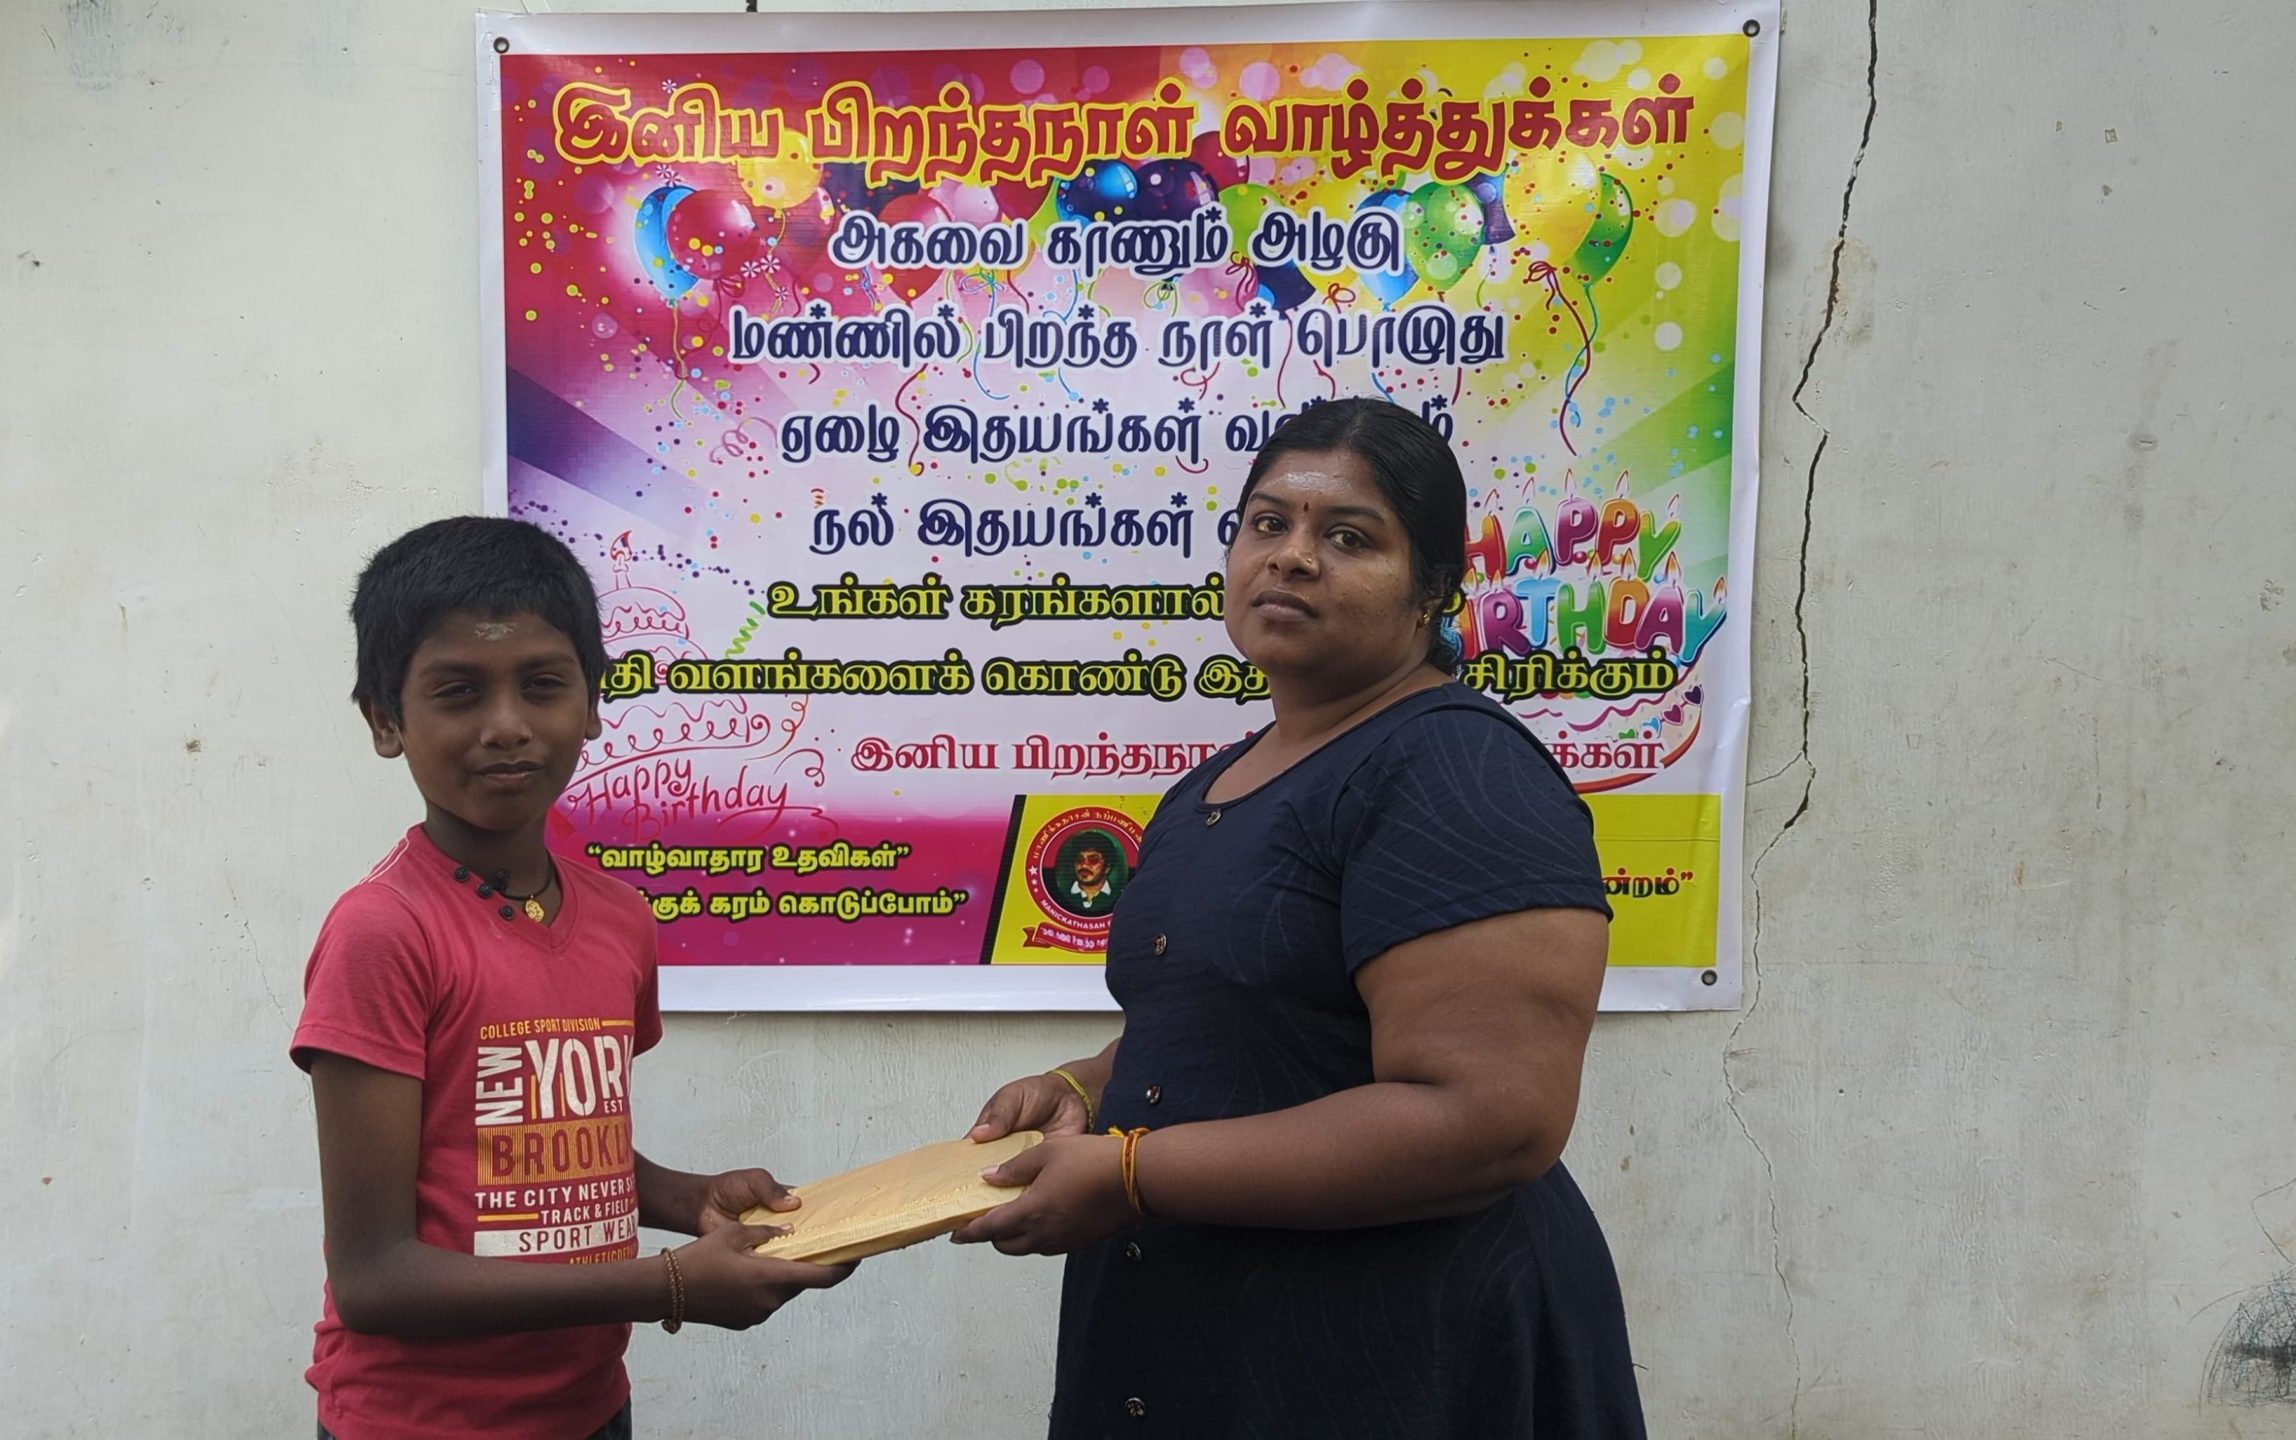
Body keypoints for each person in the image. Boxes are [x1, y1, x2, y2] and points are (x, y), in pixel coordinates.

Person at [954, 399, 1644, 1437]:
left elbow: (1491, 1120)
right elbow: (1252, 1022)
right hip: (1210, 1335)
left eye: (1349, 537)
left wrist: (1131, 1173)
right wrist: (1084, 1087)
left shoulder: (1457, 768)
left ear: (1433, 589)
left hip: (1394, 1349)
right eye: (1266, 523)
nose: (1292, 557)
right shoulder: (1213, 786)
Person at [291, 517, 846, 1440]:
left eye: (543, 685)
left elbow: (549, 1156)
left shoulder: (620, 918)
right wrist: (668, 1285)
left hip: (588, 1409)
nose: (508, 725)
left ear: (593, 702)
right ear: (386, 721)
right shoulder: (383, 932)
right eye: (459, 692)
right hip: (419, 1423)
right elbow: (375, 1277)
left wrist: (690, 1199)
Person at [1050, 830, 1126, 918]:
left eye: (1093, 860)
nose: (1084, 865)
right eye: (1079, 860)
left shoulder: (1121, 898)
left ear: (1107, 867)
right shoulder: (1058, 897)